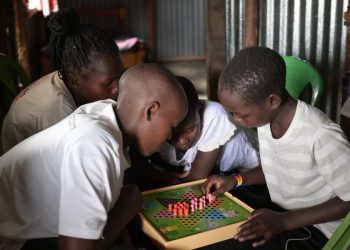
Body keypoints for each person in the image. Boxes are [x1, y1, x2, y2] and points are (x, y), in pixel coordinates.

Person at [0, 63, 188, 250]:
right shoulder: (94, 144)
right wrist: (124, 210)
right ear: (151, 111)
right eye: (171, 128)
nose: (169, 138)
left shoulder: (107, 115)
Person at [201, 47, 350, 250]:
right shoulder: (265, 119)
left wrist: (283, 221)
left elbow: (348, 200)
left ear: (272, 101)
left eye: (241, 115)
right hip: (280, 212)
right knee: (219, 219)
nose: (236, 120)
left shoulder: (321, 135)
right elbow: (278, 168)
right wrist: (235, 180)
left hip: (317, 231)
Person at [0, 8, 124, 154]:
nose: (118, 88)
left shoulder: (68, 78)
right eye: (108, 82)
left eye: (120, 77)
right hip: (21, 172)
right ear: (75, 81)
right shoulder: (60, 112)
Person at [128, 76, 260, 189]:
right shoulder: (160, 124)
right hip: (215, 170)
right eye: (173, 134)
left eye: (190, 129)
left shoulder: (215, 116)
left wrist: (164, 177)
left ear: (200, 108)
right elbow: (134, 162)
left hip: (251, 172)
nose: (182, 141)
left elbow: (196, 178)